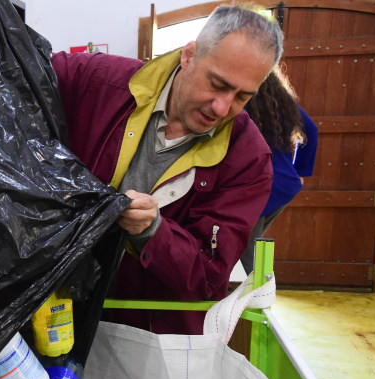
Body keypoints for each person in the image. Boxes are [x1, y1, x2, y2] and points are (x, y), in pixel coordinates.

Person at [51, 5, 282, 334]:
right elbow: (19, 70)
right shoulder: (98, 81)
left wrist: (152, 231)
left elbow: (209, 275)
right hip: (54, 310)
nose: (222, 108)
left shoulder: (248, 160)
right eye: (217, 84)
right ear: (189, 56)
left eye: (242, 97)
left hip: (144, 332)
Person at [239, 69, 318, 274]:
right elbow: (311, 129)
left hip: (258, 185)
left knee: (246, 250)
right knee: (251, 244)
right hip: (285, 183)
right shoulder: (281, 102)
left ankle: (258, 292)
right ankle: (256, 290)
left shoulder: (240, 103)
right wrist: (300, 171)